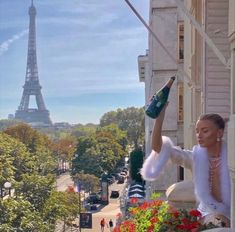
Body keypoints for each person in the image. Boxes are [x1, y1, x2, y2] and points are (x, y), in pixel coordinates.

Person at [141, 104, 231, 227]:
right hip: (207, 217)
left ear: (219, 133)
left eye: (205, 131)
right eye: (197, 131)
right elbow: (158, 148)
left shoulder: (231, 158)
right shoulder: (195, 158)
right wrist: (160, 117)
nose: (199, 135)